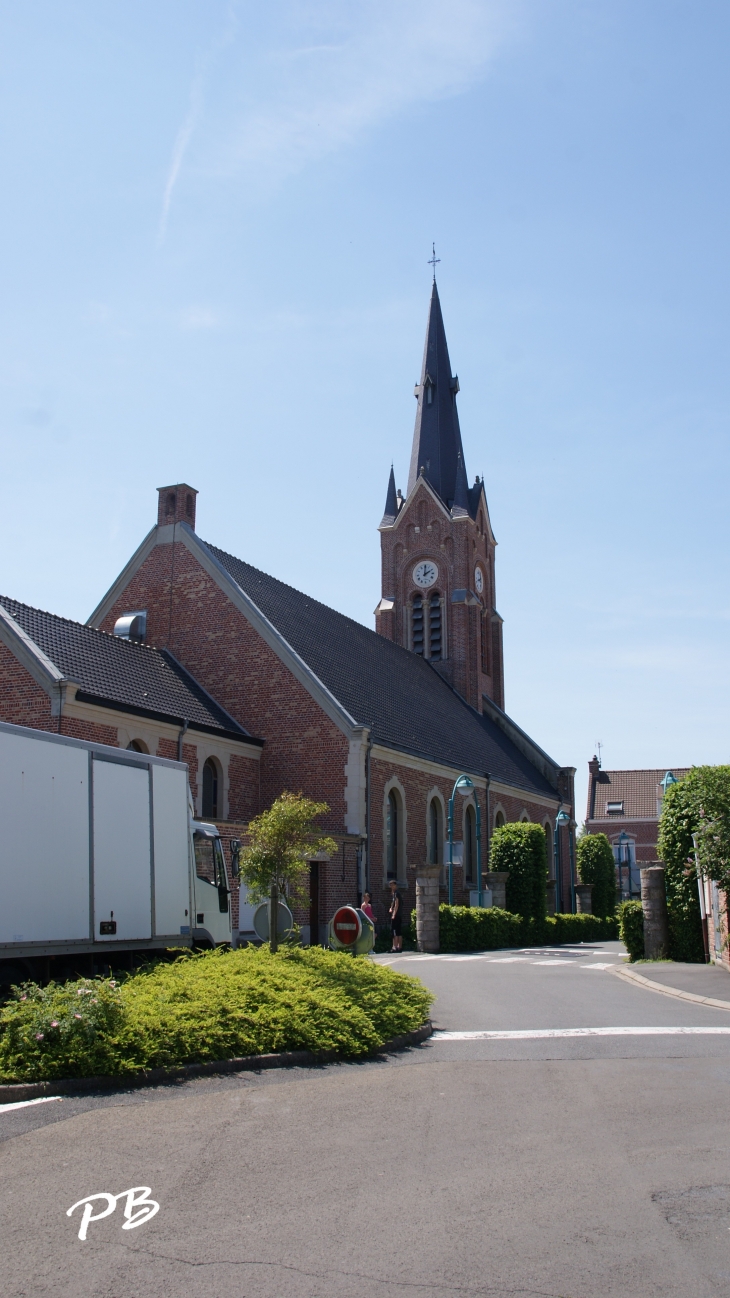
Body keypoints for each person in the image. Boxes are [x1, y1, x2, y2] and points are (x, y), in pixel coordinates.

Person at [388, 878, 404, 953]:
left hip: (396, 915)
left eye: (392, 885)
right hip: (399, 915)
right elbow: (393, 902)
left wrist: (393, 914)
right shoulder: (395, 893)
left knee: (394, 931)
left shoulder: (397, 893)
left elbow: (397, 904)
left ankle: (395, 947)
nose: (391, 887)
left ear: (395, 885)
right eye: (390, 885)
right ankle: (399, 947)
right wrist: (391, 908)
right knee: (399, 931)